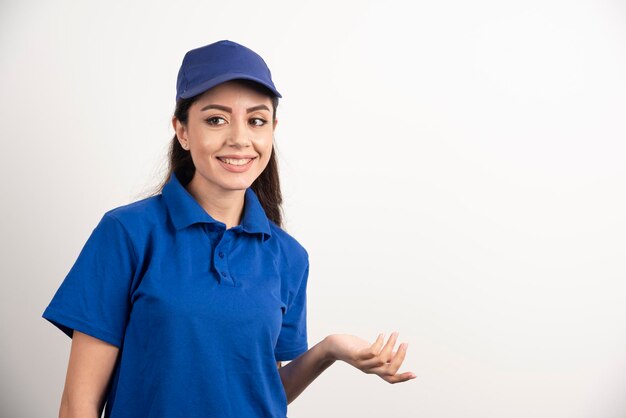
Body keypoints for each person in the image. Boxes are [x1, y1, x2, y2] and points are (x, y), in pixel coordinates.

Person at [42, 39, 416, 418]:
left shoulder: (288, 256)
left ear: (272, 130)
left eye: (256, 120)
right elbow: (78, 405)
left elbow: (259, 389)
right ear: (183, 131)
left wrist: (329, 349)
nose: (239, 139)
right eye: (216, 119)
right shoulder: (127, 234)